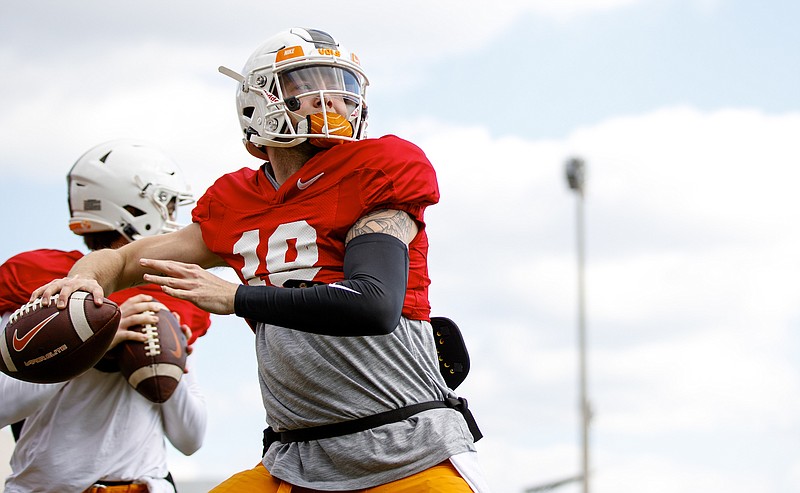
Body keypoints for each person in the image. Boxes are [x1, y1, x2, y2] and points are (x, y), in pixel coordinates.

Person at [32, 28, 491, 492]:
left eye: (341, 84)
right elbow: (126, 260)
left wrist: (238, 297)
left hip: (408, 451)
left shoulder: (379, 168)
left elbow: (372, 303)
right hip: (299, 458)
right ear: (257, 102)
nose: (329, 98)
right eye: (306, 84)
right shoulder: (237, 203)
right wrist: (83, 280)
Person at [1, 139, 210, 493]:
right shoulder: (38, 283)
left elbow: (191, 438)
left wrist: (164, 360)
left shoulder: (166, 294)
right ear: (133, 205)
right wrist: (90, 340)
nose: (173, 218)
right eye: (167, 205)